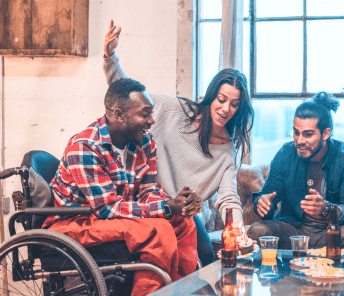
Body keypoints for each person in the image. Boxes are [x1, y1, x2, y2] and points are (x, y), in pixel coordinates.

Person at [103, 20, 254, 266]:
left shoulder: (227, 151)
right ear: (211, 96)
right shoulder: (174, 110)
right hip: (154, 205)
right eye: (222, 99)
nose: (226, 109)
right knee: (201, 250)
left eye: (234, 104)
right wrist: (110, 56)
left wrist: (237, 227)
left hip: (184, 215)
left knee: (206, 255)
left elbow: (228, 197)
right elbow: (129, 98)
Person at [43, 78, 202, 296]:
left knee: (184, 221)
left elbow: (147, 191)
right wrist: (165, 208)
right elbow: (106, 209)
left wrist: (173, 205)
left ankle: (179, 291)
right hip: (74, 222)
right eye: (144, 114)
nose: (151, 121)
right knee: (159, 230)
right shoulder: (85, 147)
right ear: (119, 115)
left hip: (112, 214)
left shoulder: (144, 142)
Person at [247, 92, 344, 252]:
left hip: (331, 230)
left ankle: (341, 276)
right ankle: (273, 276)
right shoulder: (286, 153)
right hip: (293, 229)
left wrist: (327, 209)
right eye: (296, 132)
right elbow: (268, 196)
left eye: (308, 134)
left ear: (326, 133)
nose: (300, 141)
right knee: (258, 230)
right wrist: (262, 203)